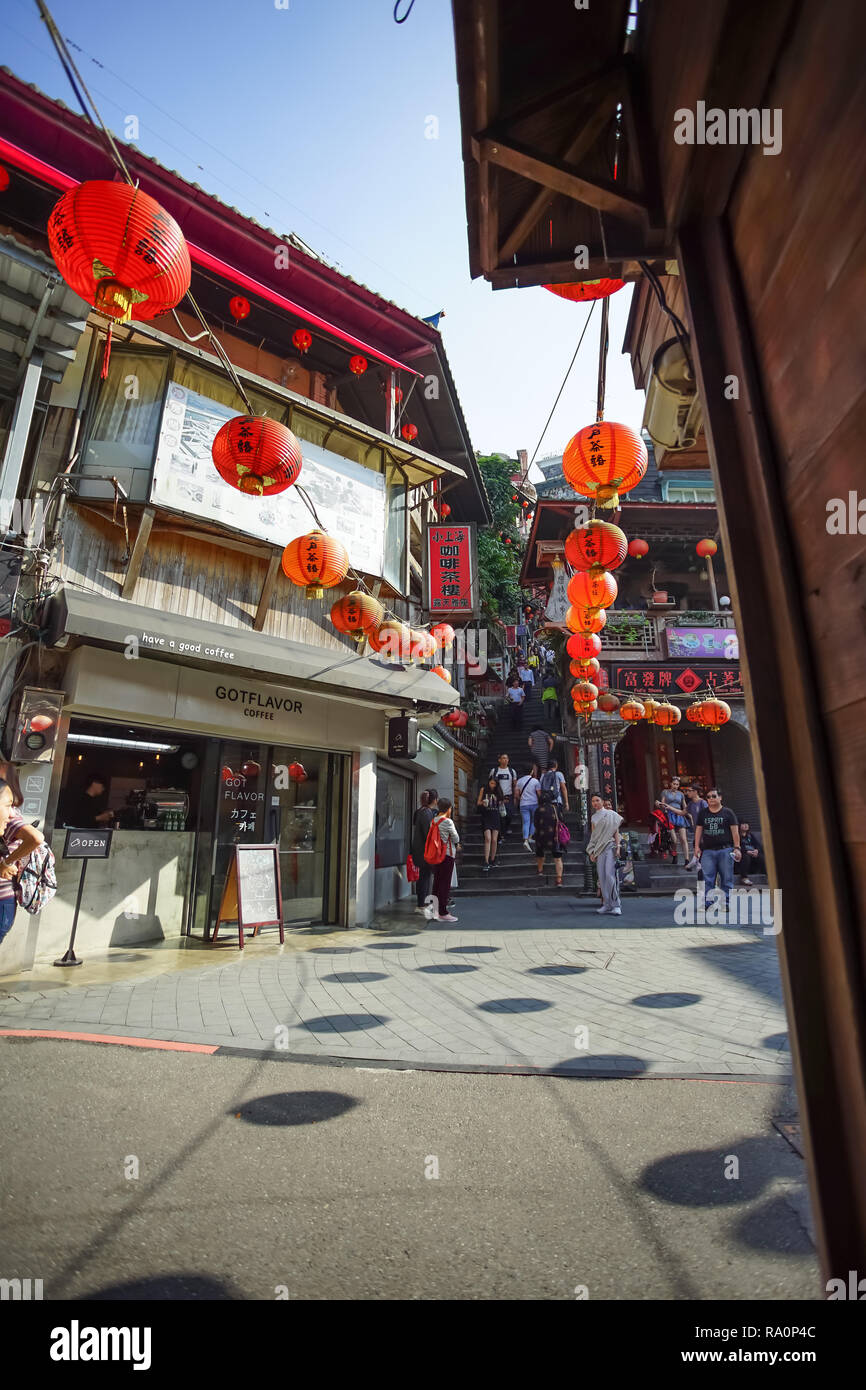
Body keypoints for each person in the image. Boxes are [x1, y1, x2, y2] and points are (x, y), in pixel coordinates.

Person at [0, 778, 44, 949]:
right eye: (7, 805)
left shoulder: (12, 820)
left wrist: (7, 862)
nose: (12, 812)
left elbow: (36, 838)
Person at [693, 788, 742, 910]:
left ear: (720, 798)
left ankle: (725, 903)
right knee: (707, 878)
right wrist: (696, 846)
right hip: (708, 851)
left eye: (713, 796)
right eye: (708, 797)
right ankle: (708, 903)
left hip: (726, 850)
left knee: (727, 878)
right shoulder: (703, 813)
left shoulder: (728, 813)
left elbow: (735, 832)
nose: (711, 799)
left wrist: (737, 848)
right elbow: (699, 830)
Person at [586, 792, 623, 914]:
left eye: (597, 800)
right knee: (601, 877)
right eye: (593, 801)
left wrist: (618, 847)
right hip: (599, 850)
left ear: (602, 801)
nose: (595, 803)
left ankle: (616, 905)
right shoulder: (593, 818)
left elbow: (615, 833)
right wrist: (592, 852)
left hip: (610, 847)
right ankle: (606, 904)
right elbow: (594, 837)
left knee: (609, 875)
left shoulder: (611, 815)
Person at [428, 797, 460, 922]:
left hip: (436, 855)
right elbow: (456, 838)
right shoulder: (448, 821)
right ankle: (443, 912)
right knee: (444, 884)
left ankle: (435, 911)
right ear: (448, 809)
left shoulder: (433, 821)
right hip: (447, 855)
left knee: (437, 882)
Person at [409, 788, 437, 915]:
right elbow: (429, 834)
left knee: (424, 877)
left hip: (419, 850)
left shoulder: (420, 811)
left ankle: (423, 904)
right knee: (424, 877)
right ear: (434, 800)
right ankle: (422, 905)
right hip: (424, 851)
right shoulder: (427, 813)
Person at [533, 788, 565, 886]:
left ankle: (540, 870)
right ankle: (559, 879)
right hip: (554, 836)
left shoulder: (538, 810)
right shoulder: (556, 808)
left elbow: (535, 823)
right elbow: (561, 819)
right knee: (557, 857)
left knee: (540, 853)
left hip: (541, 835)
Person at [656, 777, 689, 865]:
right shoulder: (665, 792)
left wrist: (688, 813)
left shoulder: (681, 794)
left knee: (683, 838)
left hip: (679, 815)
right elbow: (662, 803)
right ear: (671, 784)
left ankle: (687, 860)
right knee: (674, 840)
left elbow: (684, 805)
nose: (675, 786)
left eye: (677, 784)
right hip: (669, 815)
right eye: (674, 784)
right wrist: (660, 805)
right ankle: (674, 853)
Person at [476, 776, 504, 872]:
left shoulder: (498, 791)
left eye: (494, 784)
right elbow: (478, 802)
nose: (492, 785)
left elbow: (501, 803)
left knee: (494, 839)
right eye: (491, 783)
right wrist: (483, 802)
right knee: (488, 838)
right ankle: (486, 861)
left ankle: (493, 859)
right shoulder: (483, 789)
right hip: (486, 815)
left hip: (495, 815)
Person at [489, 754, 516, 838]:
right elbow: (490, 783)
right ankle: (501, 835)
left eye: (507, 758)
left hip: (508, 796)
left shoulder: (512, 771)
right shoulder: (494, 771)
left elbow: (515, 784)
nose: (505, 760)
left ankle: (507, 827)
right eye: (503, 758)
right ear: (499, 760)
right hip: (497, 796)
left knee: (509, 814)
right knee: (498, 816)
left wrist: (515, 796)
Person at [515, 764, 541, 849]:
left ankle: (525, 840)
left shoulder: (519, 781)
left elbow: (516, 795)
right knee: (533, 821)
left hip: (523, 804)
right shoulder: (535, 781)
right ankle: (530, 838)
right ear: (532, 771)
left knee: (526, 822)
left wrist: (521, 799)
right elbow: (539, 793)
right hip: (534, 803)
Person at [683, 785, 708, 867]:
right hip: (696, 830)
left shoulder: (702, 802)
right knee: (696, 844)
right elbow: (682, 812)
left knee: (701, 845)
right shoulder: (690, 804)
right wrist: (668, 807)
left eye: (689, 791)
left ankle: (696, 860)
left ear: (695, 792)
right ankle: (696, 860)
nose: (687, 793)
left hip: (704, 831)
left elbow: (708, 816)